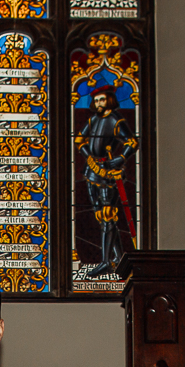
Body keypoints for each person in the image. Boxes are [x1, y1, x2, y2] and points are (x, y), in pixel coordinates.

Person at [75, 86, 136, 277]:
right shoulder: (93, 120)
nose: (98, 103)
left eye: (102, 100)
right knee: (104, 218)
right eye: (96, 100)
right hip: (92, 172)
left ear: (109, 100)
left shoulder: (116, 120)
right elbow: (79, 140)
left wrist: (120, 159)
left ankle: (105, 262)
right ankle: (119, 259)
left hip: (108, 174)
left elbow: (132, 142)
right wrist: (89, 157)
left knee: (108, 216)